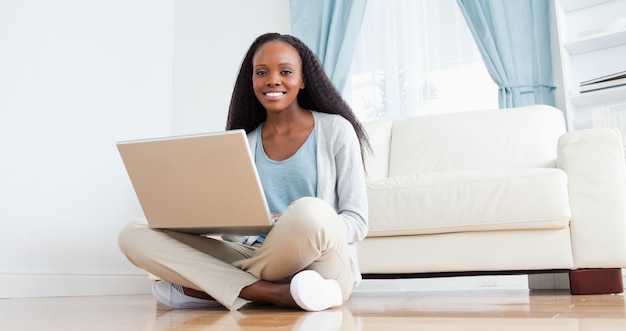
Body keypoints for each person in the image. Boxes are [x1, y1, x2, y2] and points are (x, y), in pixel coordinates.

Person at [118, 32, 369, 312]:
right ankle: (275, 293)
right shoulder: (243, 143)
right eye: (262, 72)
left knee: (309, 212)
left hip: (320, 262)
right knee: (134, 233)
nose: (272, 80)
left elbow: (357, 222)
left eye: (285, 71)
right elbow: (235, 236)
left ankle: (219, 287)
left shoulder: (336, 130)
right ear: (252, 81)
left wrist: (290, 222)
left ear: (303, 79)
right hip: (257, 255)